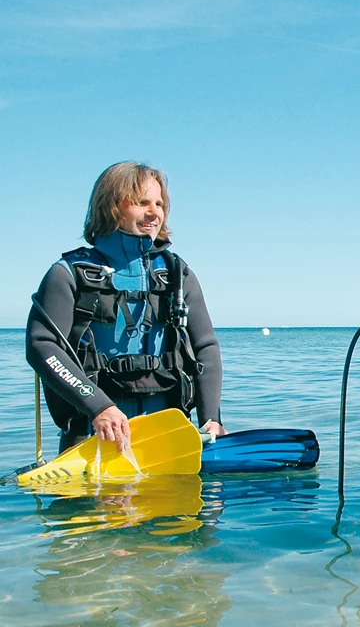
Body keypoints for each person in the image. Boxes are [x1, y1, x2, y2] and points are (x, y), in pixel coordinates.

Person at [26, 162, 225, 454]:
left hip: (169, 439)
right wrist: (98, 405)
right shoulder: (68, 273)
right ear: (111, 206)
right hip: (93, 439)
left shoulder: (176, 274)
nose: (154, 212)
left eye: (159, 203)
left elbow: (206, 346)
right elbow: (41, 346)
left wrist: (211, 418)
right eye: (142, 202)